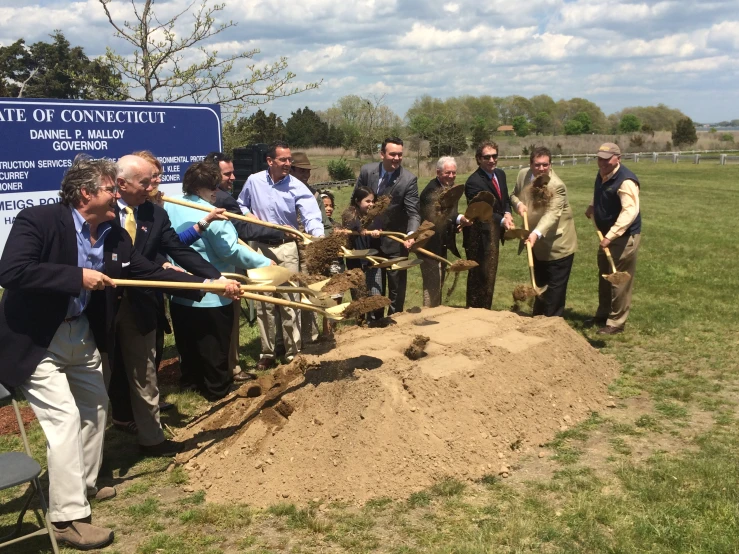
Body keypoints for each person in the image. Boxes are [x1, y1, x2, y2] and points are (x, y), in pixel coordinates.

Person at [0, 156, 238, 550]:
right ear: (85, 193)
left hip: (81, 334)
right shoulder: (38, 220)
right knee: (64, 419)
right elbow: (12, 271)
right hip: (37, 339)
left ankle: (83, 486)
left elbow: (147, 270)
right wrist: (76, 276)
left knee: (96, 409)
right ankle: (66, 519)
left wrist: (209, 283)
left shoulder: (111, 231)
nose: (117, 195)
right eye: (111, 189)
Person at [105, 154, 224, 457]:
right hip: (100, 306)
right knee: (100, 375)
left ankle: (152, 439)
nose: (152, 187)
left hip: (140, 304)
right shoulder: (101, 211)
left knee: (145, 372)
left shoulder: (155, 215)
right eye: (145, 182)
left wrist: (216, 278)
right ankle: (97, 448)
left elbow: (177, 250)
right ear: (122, 184)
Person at [166, 162, 273, 400]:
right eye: (214, 186)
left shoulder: (170, 205)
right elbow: (230, 251)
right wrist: (264, 263)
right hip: (212, 294)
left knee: (188, 342)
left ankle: (191, 382)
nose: (216, 191)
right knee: (213, 345)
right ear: (207, 188)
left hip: (180, 290)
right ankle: (217, 389)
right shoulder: (211, 215)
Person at [237, 141, 324, 369]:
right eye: (283, 160)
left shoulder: (296, 186)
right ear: (270, 161)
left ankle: (292, 352)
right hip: (259, 248)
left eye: (289, 160)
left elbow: (311, 214)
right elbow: (240, 204)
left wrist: (317, 236)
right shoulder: (254, 181)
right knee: (264, 303)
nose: (288, 164)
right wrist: (248, 214)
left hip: (286, 247)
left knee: (289, 300)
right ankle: (267, 353)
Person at [204, 151, 284, 382]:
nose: (233, 178)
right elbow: (245, 230)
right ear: (212, 175)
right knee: (226, 323)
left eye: (233, 172)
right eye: (227, 174)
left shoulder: (192, 197)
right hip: (222, 271)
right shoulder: (222, 200)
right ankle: (232, 368)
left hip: (199, 273)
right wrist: (282, 231)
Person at [354, 137, 420, 320]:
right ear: (382, 154)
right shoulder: (367, 172)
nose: (396, 158)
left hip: (395, 243)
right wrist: (359, 226)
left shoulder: (408, 180)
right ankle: (374, 324)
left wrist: (411, 234)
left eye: (400, 154)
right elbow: (355, 201)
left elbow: (413, 212)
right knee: (374, 288)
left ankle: (394, 323)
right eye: (392, 154)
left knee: (396, 288)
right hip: (370, 240)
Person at [510, 147, 578, 317]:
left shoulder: (557, 186)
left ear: (550, 164)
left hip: (557, 246)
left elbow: (552, 214)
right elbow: (513, 195)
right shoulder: (523, 175)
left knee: (554, 293)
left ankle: (553, 328)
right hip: (535, 244)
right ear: (530, 164)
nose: (541, 169)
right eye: (537, 165)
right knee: (539, 286)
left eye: (545, 165)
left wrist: (535, 234)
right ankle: (538, 324)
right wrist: (518, 204)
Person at [585, 143, 641, 335]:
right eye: (600, 158)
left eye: (607, 159)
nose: (603, 162)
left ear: (618, 158)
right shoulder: (602, 173)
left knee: (619, 279)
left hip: (623, 237)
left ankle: (616, 322)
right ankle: (603, 314)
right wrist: (593, 205)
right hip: (606, 235)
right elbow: (600, 192)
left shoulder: (626, 180)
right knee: (606, 276)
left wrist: (610, 236)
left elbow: (630, 211)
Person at [463, 141, 514, 309]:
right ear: (479, 159)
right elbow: (483, 209)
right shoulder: (473, 182)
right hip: (478, 236)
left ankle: (486, 311)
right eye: (487, 157)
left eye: (494, 156)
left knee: (490, 274)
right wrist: (501, 220)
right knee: (479, 276)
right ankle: (474, 312)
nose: (492, 160)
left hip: (493, 233)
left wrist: (507, 212)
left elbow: (504, 199)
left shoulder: (500, 174)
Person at [419, 156, 471, 307]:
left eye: (454, 173)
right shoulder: (431, 192)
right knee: (432, 285)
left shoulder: (449, 188)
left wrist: (458, 221)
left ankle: (436, 314)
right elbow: (436, 219)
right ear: (438, 172)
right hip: (429, 245)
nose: (451, 176)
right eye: (448, 173)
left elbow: (449, 215)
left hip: (441, 244)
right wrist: (456, 219)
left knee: (439, 283)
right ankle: (428, 316)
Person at [290, 151, 325, 346]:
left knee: (308, 291)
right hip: (285, 246)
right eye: (302, 171)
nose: (306, 175)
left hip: (307, 250)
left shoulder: (314, 194)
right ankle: (287, 340)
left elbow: (322, 222)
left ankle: (309, 336)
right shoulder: (282, 191)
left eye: (308, 172)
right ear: (292, 170)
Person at [342, 186, 382, 302]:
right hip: (355, 262)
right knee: (359, 297)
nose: (371, 204)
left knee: (376, 295)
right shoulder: (350, 213)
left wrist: (376, 232)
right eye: (367, 201)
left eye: (373, 201)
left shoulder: (374, 215)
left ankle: (375, 319)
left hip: (372, 261)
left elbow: (379, 226)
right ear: (357, 201)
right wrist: (360, 228)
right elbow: (351, 222)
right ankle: (360, 320)